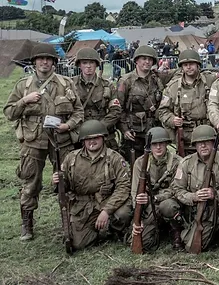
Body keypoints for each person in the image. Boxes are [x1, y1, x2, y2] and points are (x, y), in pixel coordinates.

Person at [4, 43, 84, 241]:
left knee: (67, 181)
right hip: (33, 141)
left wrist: (68, 126)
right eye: (40, 59)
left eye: (48, 59)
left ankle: (69, 221)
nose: (44, 62)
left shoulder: (66, 84)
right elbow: (9, 113)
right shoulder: (23, 85)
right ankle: (27, 223)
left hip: (61, 140)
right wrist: (24, 101)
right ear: (34, 62)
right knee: (31, 182)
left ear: (54, 62)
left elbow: (78, 111)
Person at [51, 120, 132, 250]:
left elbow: (123, 187)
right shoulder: (71, 158)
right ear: (82, 140)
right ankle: (101, 231)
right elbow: (64, 187)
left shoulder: (115, 158)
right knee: (78, 244)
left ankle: (112, 228)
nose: (92, 142)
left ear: (103, 138)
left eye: (96, 138)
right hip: (82, 207)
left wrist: (106, 211)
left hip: (106, 202)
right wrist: (57, 181)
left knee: (123, 214)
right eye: (88, 139)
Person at [171, 124, 219, 253]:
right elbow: (177, 189)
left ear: (213, 143)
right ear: (195, 145)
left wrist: (216, 194)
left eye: (207, 142)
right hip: (199, 209)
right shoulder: (186, 163)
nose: (203, 146)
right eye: (199, 143)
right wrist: (194, 196)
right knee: (193, 247)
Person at [129, 127, 183, 251]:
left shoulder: (177, 162)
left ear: (166, 144)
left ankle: (175, 231)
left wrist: (156, 198)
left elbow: (177, 189)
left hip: (167, 201)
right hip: (148, 205)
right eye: (154, 144)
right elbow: (135, 191)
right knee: (145, 243)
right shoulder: (140, 163)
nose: (158, 147)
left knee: (168, 206)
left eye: (161, 143)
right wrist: (137, 216)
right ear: (149, 146)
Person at [117, 46, 171, 164]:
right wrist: (124, 130)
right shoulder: (126, 81)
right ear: (136, 60)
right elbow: (119, 108)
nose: (147, 62)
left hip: (154, 130)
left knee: (156, 164)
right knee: (136, 166)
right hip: (134, 132)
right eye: (144, 59)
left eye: (150, 59)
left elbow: (178, 73)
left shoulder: (157, 78)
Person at [158, 50, 217, 155]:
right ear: (182, 67)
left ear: (198, 65)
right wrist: (172, 120)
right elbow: (162, 111)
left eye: (192, 64)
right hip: (185, 136)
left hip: (208, 132)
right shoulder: (173, 87)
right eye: (185, 65)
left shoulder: (209, 80)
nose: (189, 67)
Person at [71, 47, 121, 151]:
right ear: (79, 65)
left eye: (92, 63)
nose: (88, 66)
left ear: (97, 65)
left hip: (102, 133)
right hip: (79, 134)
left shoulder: (107, 85)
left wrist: (99, 127)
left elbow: (115, 111)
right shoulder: (70, 84)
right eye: (85, 63)